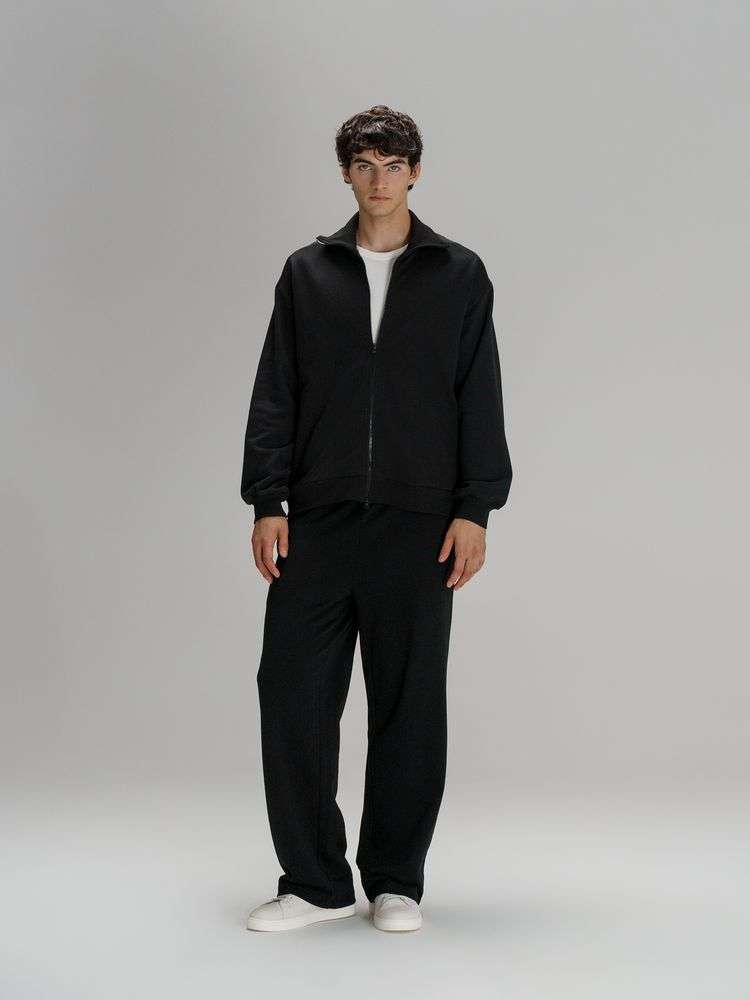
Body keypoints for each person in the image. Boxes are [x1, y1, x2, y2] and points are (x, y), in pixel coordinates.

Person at [240, 105, 512, 933]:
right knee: (291, 695)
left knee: (407, 704)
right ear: (347, 173)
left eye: (394, 165)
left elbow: (478, 394)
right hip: (318, 522)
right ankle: (313, 882)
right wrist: (268, 500)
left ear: (416, 173)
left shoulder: (458, 274)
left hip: (419, 523)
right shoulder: (307, 273)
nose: (379, 179)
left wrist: (475, 509)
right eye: (364, 164)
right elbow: (276, 392)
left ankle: (395, 880)